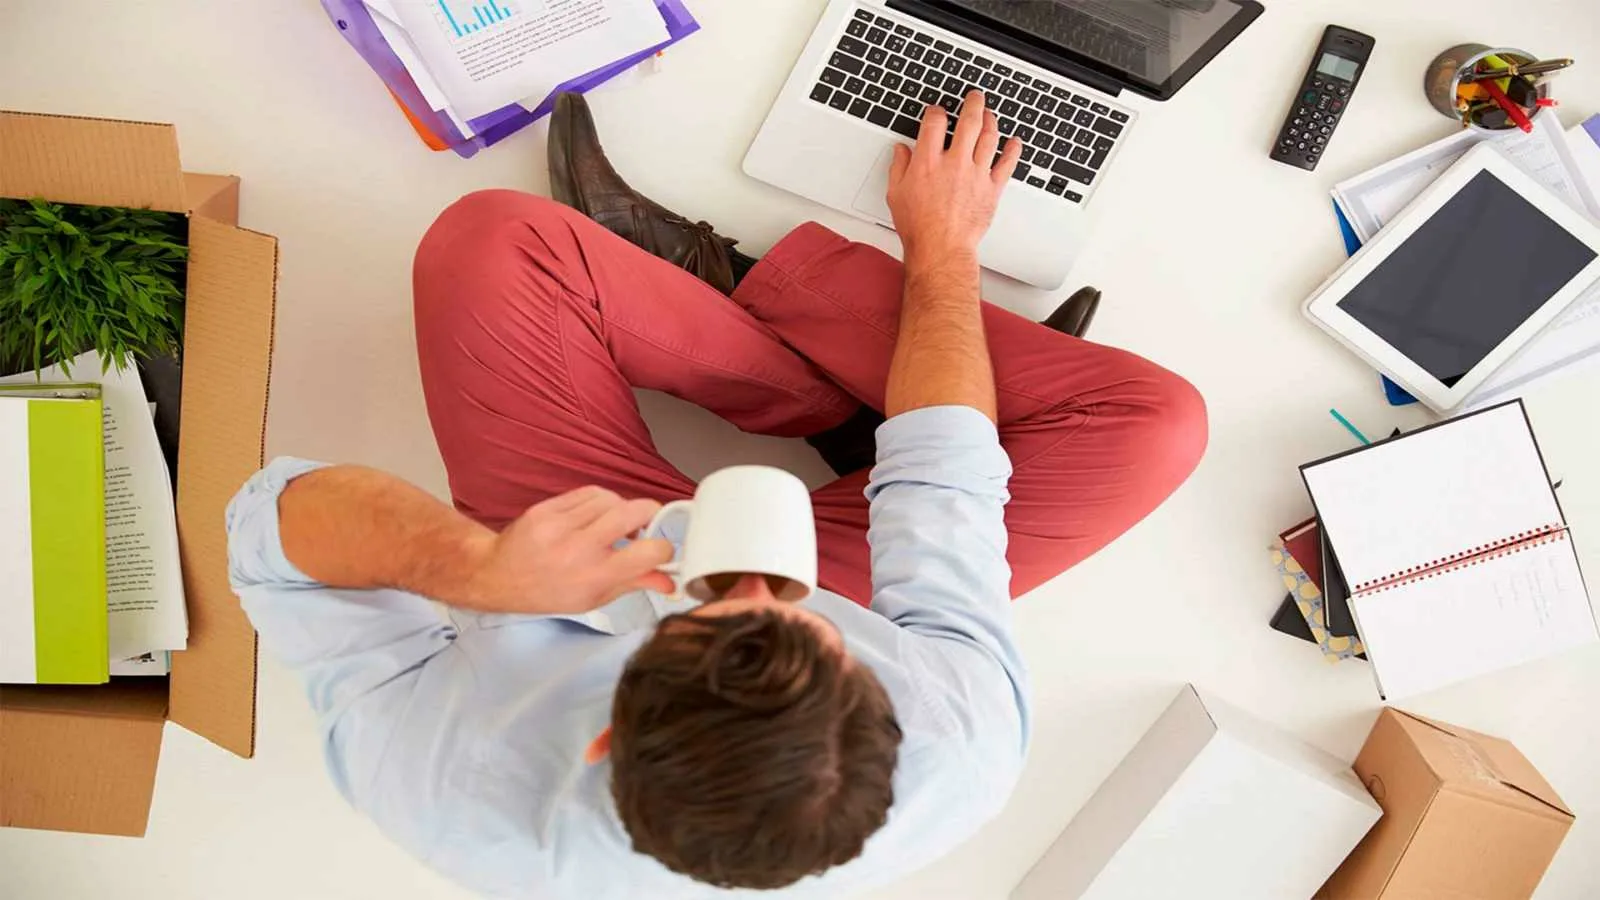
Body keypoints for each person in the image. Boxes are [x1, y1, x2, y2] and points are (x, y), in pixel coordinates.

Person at [227, 91, 1206, 898]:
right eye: (797, 628)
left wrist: (478, 570)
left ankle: (769, 333)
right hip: (848, 578)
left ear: (603, 733)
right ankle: (846, 389)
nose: (746, 571)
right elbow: (944, 473)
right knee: (1156, 426)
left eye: (706, 620)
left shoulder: (447, 787)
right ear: (880, 707)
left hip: (587, 548)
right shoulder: (958, 739)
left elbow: (267, 532)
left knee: (492, 237)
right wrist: (942, 246)